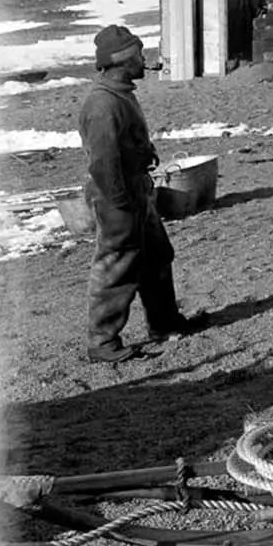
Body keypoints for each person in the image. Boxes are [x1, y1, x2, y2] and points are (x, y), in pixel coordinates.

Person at [78, 26, 205, 363]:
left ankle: (164, 322)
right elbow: (104, 163)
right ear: (122, 60)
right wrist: (121, 204)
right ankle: (103, 343)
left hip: (136, 191)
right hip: (116, 196)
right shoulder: (103, 103)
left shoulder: (120, 93)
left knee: (157, 257)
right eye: (138, 55)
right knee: (116, 265)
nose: (143, 61)